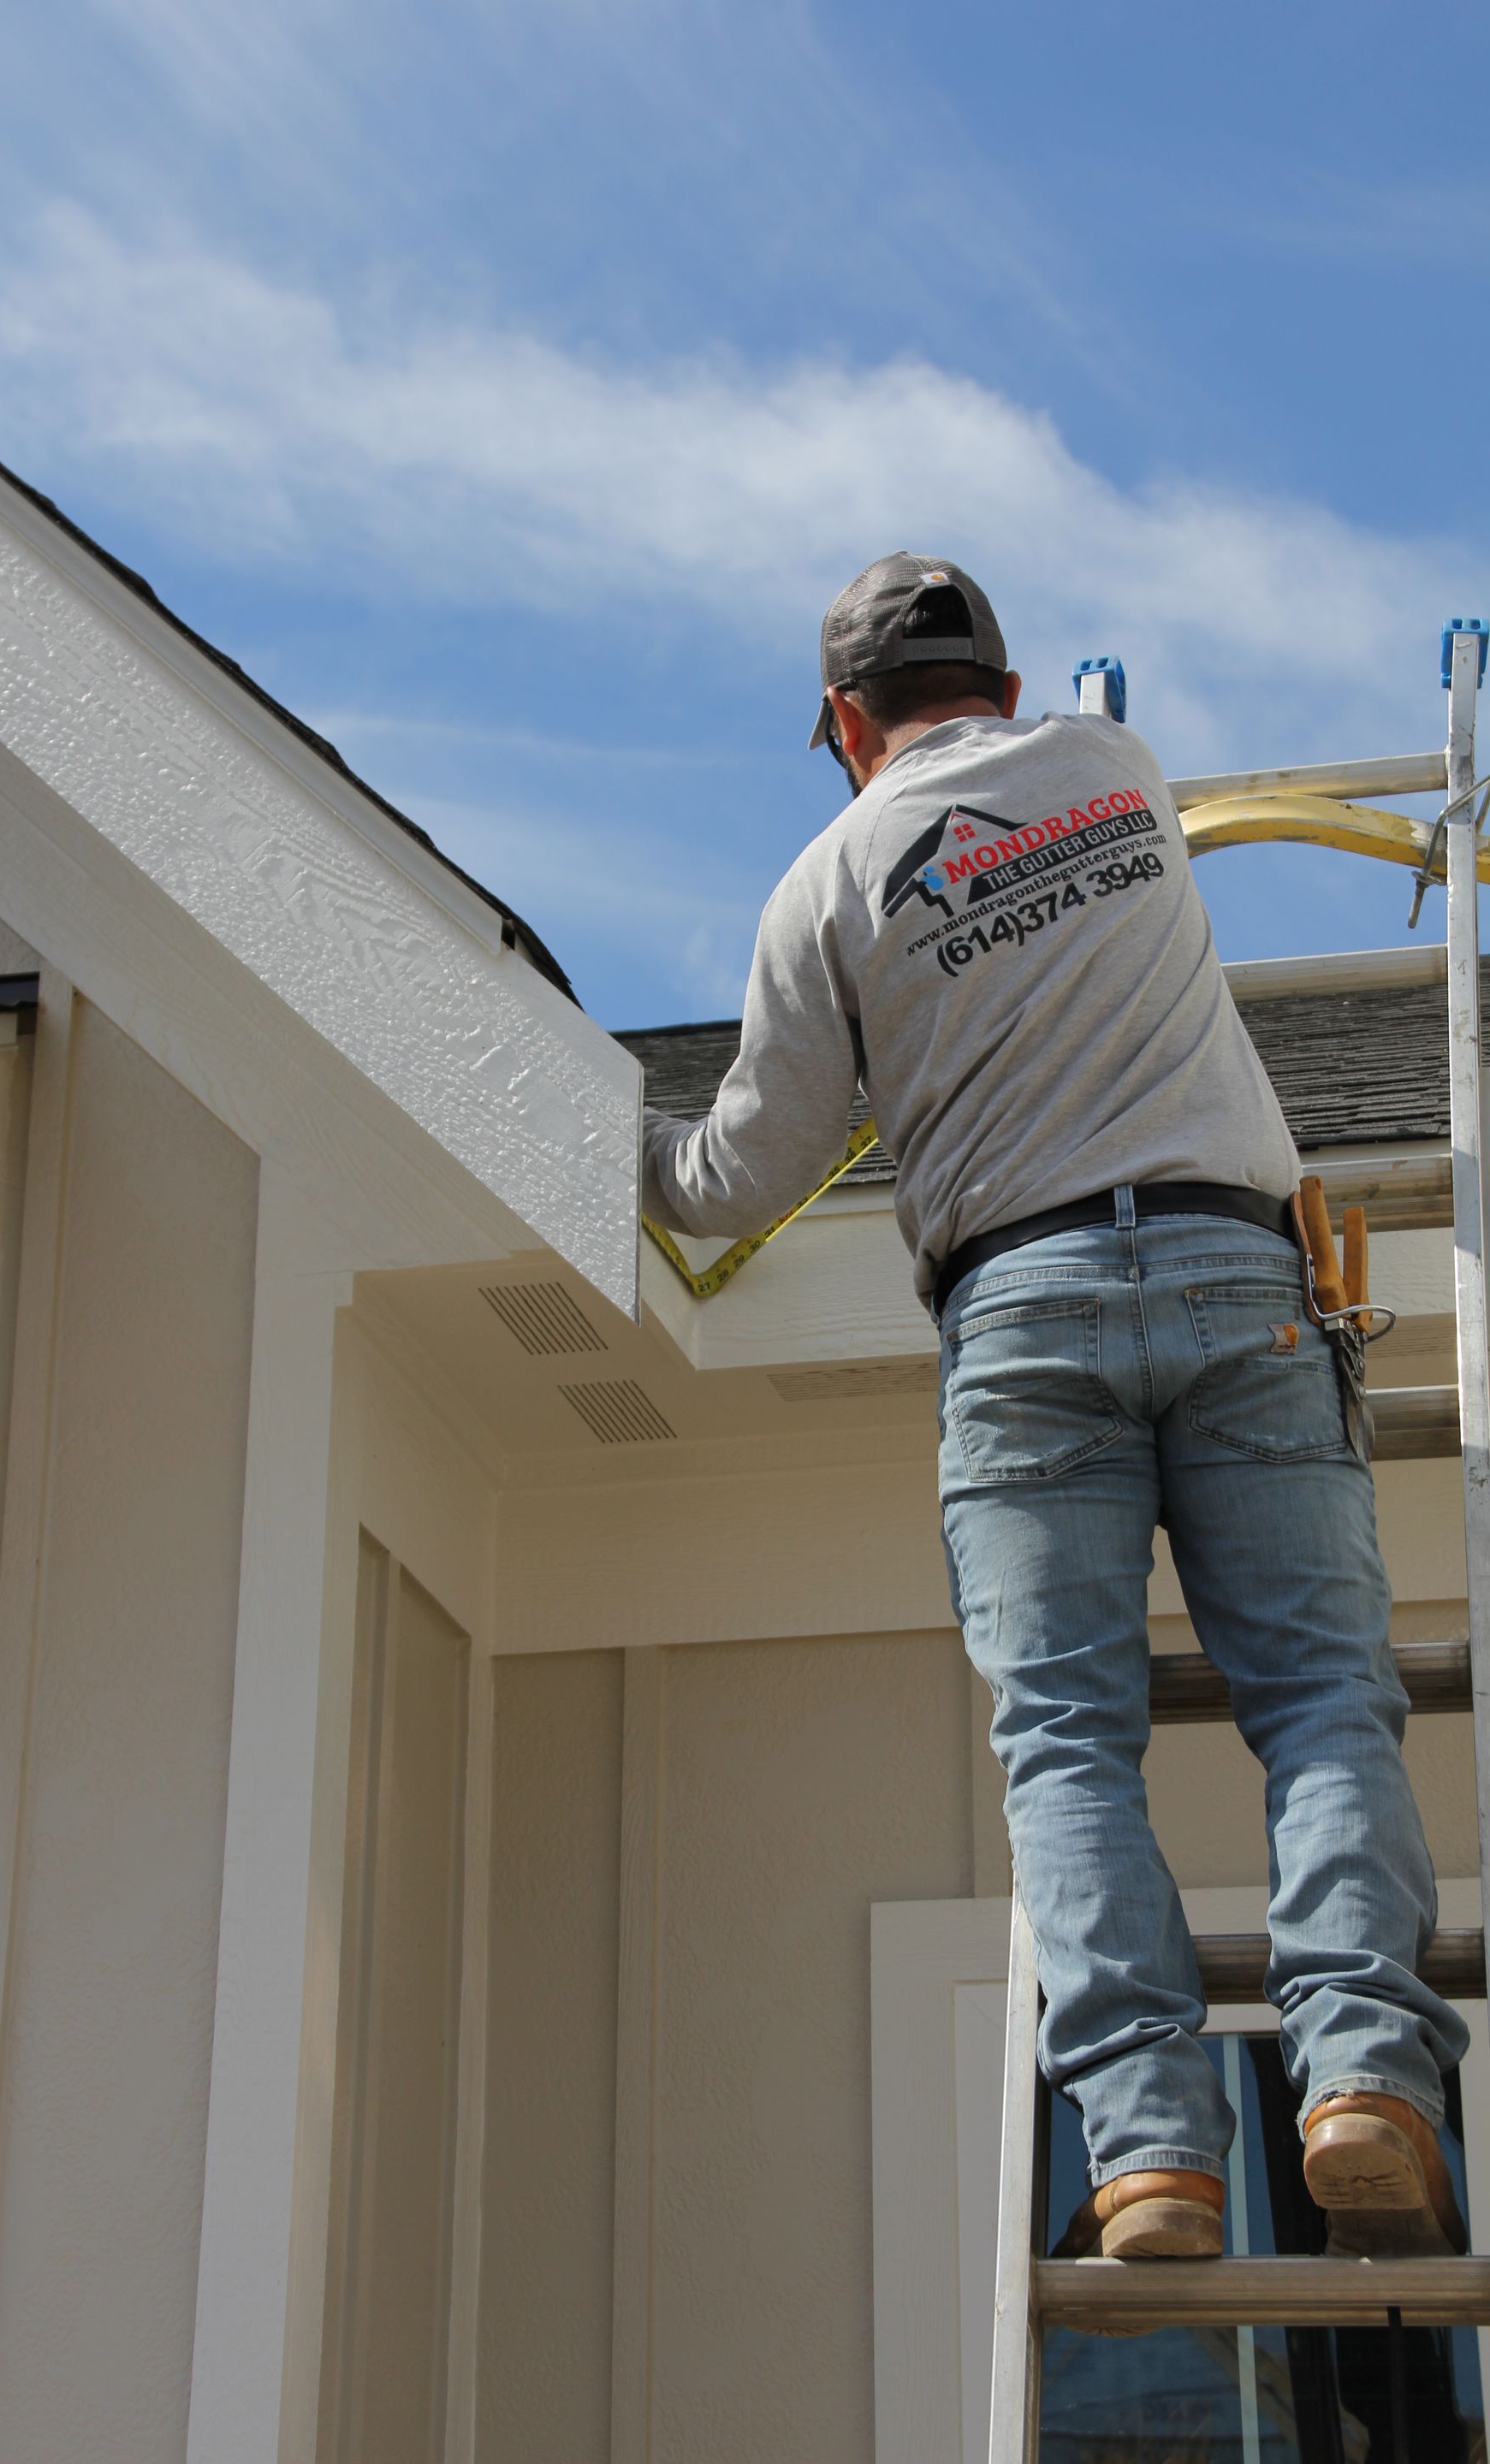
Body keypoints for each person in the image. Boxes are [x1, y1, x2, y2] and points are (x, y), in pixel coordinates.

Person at [641, 552, 1468, 2261]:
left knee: (1071, 1746)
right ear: (1010, 692)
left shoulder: (829, 879)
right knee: (1322, 1700)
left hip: (1022, 1323)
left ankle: (1155, 2153)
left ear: (847, 724)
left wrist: (615, 1147)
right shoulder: (1125, 776)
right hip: (1245, 1281)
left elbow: (742, 1173)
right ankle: (1364, 2077)